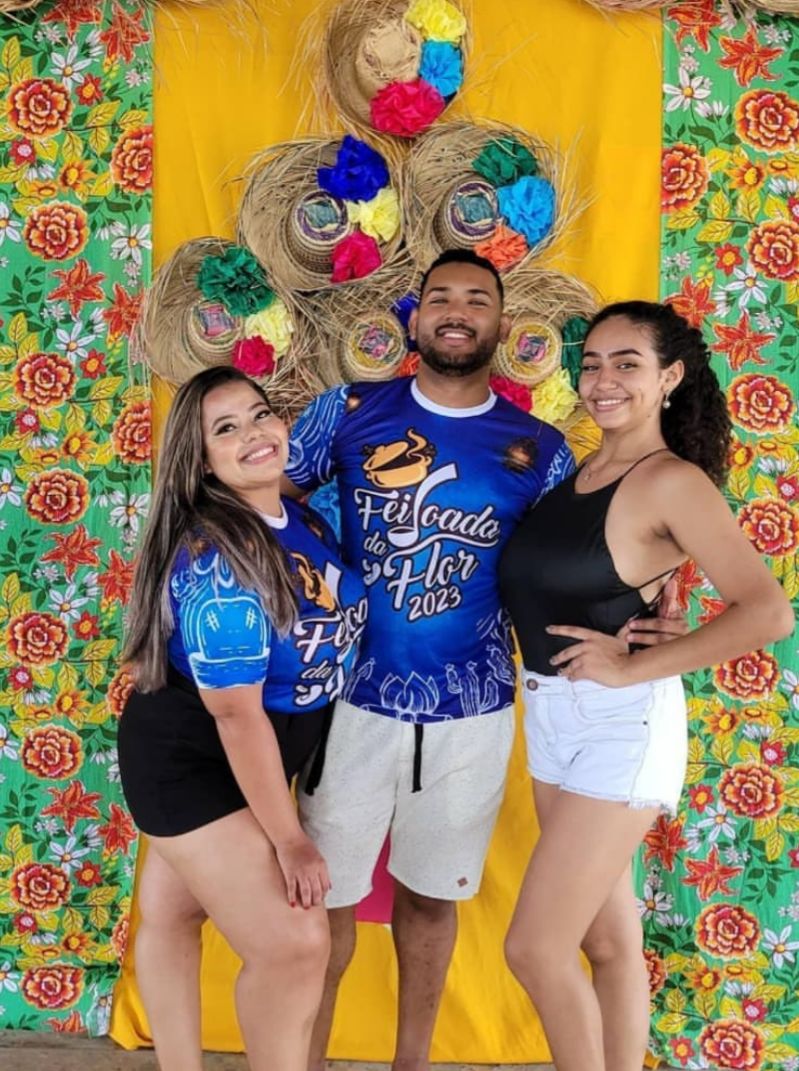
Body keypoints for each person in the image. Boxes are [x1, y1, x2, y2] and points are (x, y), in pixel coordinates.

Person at [282, 251, 680, 1071]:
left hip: (473, 707)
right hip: (350, 701)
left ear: (501, 324)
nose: (456, 312)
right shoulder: (347, 410)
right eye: (440, 298)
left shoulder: (541, 449)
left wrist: (651, 608)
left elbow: (580, 559)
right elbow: (261, 500)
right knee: (324, 908)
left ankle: (411, 1063)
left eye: (476, 300)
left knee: (431, 900)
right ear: (415, 317)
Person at [498, 301, 794, 1071]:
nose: (602, 380)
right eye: (591, 363)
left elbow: (767, 611)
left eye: (626, 363)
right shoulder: (576, 473)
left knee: (534, 948)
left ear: (668, 377)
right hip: (552, 718)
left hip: (619, 725)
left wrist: (631, 665)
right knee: (605, 940)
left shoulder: (669, 481)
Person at [118, 366, 367, 1071]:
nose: (254, 434)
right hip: (194, 756)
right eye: (225, 429)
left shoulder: (301, 517)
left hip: (260, 748)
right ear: (201, 460)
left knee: (174, 913)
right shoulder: (218, 559)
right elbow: (235, 716)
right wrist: (289, 840)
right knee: (296, 945)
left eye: (260, 414)